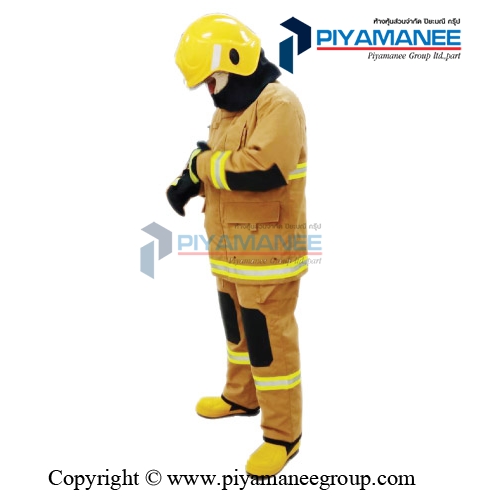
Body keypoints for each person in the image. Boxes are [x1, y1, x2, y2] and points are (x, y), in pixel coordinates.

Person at [167, 13, 308, 476]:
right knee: (238, 335)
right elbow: (219, 167)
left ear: (235, 60)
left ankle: (283, 435)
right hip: (229, 254)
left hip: (268, 256)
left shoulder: (279, 104)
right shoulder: (227, 112)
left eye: (212, 79)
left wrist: (202, 166)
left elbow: (263, 169)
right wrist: (193, 178)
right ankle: (241, 397)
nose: (209, 90)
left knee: (270, 347)